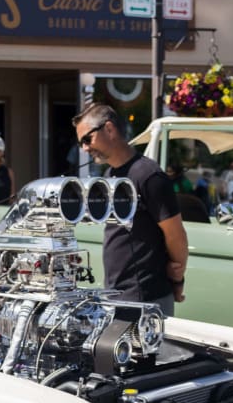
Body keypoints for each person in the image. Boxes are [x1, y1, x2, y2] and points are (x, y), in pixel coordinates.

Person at [73, 104, 186, 312]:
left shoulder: (149, 175)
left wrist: (177, 281)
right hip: (117, 296)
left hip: (145, 298)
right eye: (81, 143)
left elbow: (176, 235)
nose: (85, 148)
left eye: (87, 139)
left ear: (109, 129)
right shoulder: (110, 176)